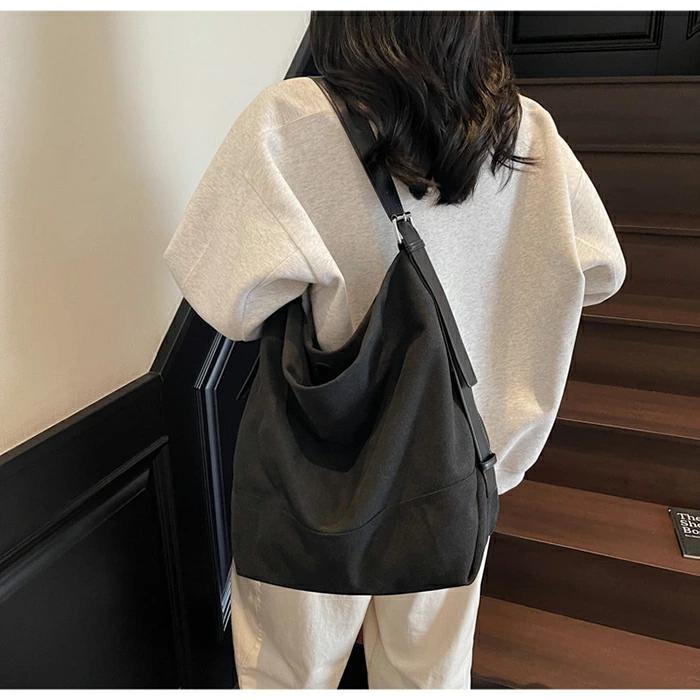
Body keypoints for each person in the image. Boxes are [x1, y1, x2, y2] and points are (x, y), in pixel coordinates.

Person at [162, 10, 626, 690]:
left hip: (323, 482)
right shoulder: (528, 134)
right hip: (462, 469)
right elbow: (603, 274)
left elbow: (227, 303)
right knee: (427, 679)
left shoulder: (292, 122)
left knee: (290, 678)